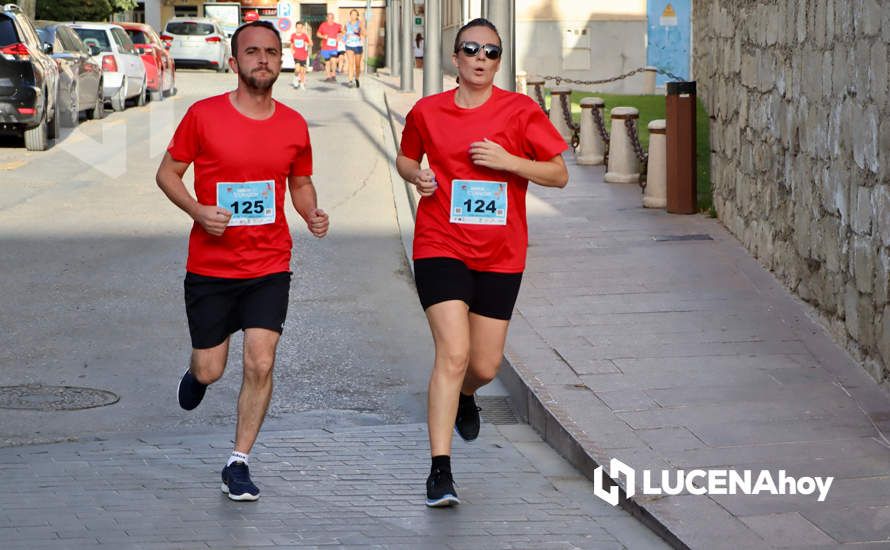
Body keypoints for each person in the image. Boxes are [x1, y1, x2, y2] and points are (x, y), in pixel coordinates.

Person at [396, 18, 569, 507]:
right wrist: (418, 176)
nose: (480, 58)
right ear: (455, 58)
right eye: (471, 49)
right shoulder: (427, 111)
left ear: (499, 60)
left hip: (501, 252)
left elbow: (558, 175)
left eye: (491, 52)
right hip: (440, 244)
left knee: (485, 365)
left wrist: (508, 161)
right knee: (452, 353)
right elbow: (406, 158)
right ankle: (440, 471)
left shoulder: (520, 111)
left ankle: (467, 395)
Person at [155, 20, 330, 502]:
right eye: (252, 51)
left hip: (269, 265)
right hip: (210, 268)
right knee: (212, 369)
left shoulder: (294, 124)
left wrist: (311, 211)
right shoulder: (204, 115)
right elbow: (167, 173)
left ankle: (239, 460)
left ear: (281, 59)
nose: (263, 59)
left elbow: (299, 182)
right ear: (235, 62)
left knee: (261, 360)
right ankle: (196, 375)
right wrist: (196, 210)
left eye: (272, 52)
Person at [316, 12, 341, 82]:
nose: (330, 19)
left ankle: (333, 75)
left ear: (333, 18)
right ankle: (328, 77)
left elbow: (342, 32)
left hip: (333, 46)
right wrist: (323, 36)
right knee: (327, 62)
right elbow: (318, 34)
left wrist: (339, 37)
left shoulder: (337, 25)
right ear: (327, 18)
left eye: (332, 18)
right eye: (329, 18)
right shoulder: (323, 25)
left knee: (333, 60)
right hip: (325, 47)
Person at [344, 9, 365, 87]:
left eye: (355, 14)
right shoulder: (347, 24)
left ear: (357, 16)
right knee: (350, 63)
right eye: (352, 14)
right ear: (350, 15)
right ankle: (350, 80)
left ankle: (357, 78)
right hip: (349, 45)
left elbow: (365, 33)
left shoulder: (360, 24)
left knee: (357, 65)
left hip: (358, 45)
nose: (353, 16)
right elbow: (343, 32)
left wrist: (359, 32)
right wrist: (346, 36)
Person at [290, 21, 311, 89]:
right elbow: (291, 43)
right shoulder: (293, 35)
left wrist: (307, 44)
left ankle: (301, 83)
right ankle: (295, 79)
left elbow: (311, 44)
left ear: (302, 28)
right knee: (297, 69)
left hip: (304, 55)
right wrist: (292, 49)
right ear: (295, 28)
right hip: (296, 55)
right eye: (297, 27)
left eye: (300, 28)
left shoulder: (305, 36)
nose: (299, 29)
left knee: (302, 71)